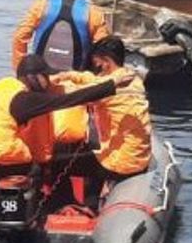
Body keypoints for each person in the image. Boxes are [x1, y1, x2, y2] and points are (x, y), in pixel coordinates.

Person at [0, 54, 134, 224]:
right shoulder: (24, 99)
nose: (48, 82)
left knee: (26, 162)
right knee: (36, 169)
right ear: (32, 78)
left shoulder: (3, 88)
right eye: (45, 77)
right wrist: (112, 84)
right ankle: (41, 213)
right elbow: (69, 100)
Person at [51, 36, 153, 200]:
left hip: (120, 163)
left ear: (106, 61)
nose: (96, 68)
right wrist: (69, 75)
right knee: (94, 153)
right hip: (137, 158)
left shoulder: (106, 90)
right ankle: (92, 202)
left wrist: (47, 85)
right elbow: (95, 81)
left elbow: (75, 94)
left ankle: (65, 203)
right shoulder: (132, 78)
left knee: (52, 165)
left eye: (97, 64)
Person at [12, 0, 110, 72]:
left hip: (42, 79)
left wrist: (20, 70)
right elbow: (104, 50)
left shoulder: (41, 6)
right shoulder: (93, 12)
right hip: (75, 80)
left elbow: (19, 37)